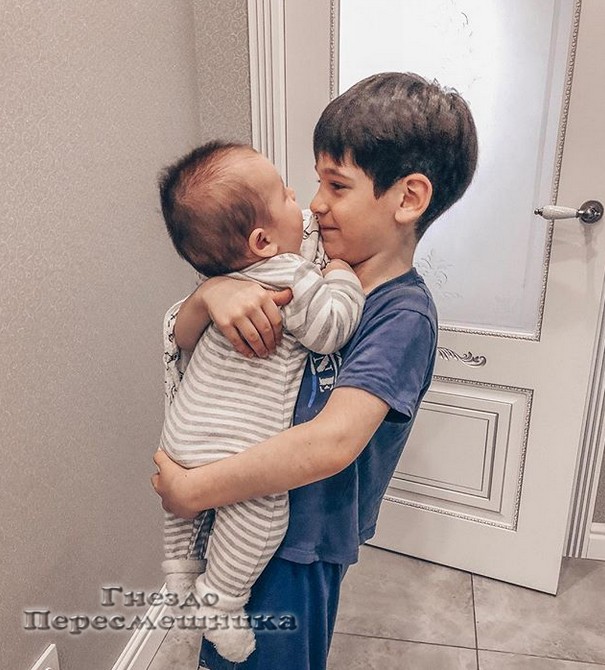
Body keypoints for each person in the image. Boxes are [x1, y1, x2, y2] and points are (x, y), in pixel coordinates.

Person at [152, 71, 478, 670]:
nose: (315, 202)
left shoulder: (401, 316)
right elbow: (183, 337)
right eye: (316, 180)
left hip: (300, 546)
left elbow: (331, 442)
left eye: (336, 185)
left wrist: (193, 490)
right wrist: (211, 294)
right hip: (232, 514)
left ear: (408, 198)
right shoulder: (308, 250)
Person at [157, 140, 365, 662]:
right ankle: (220, 599)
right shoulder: (292, 273)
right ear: (262, 239)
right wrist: (341, 275)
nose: (302, 199)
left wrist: (212, 288)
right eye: (287, 194)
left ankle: (180, 573)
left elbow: (180, 337)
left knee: (187, 517)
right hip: (235, 444)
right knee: (259, 518)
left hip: (181, 434)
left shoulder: (227, 269)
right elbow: (331, 329)